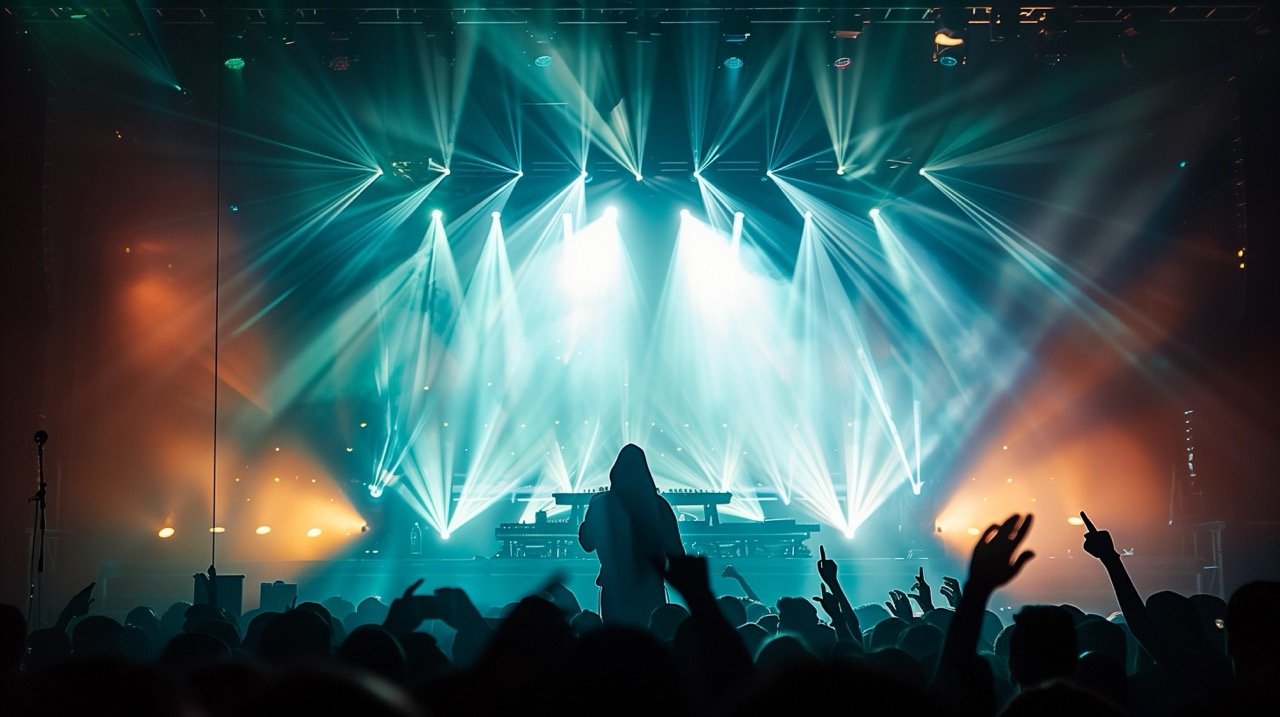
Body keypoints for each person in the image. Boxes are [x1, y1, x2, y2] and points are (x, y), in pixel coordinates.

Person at [579, 444, 685, 627]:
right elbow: (676, 553)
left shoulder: (600, 503)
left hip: (614, 586)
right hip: (650, 586)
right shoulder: (659, 505)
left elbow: (587, 544)